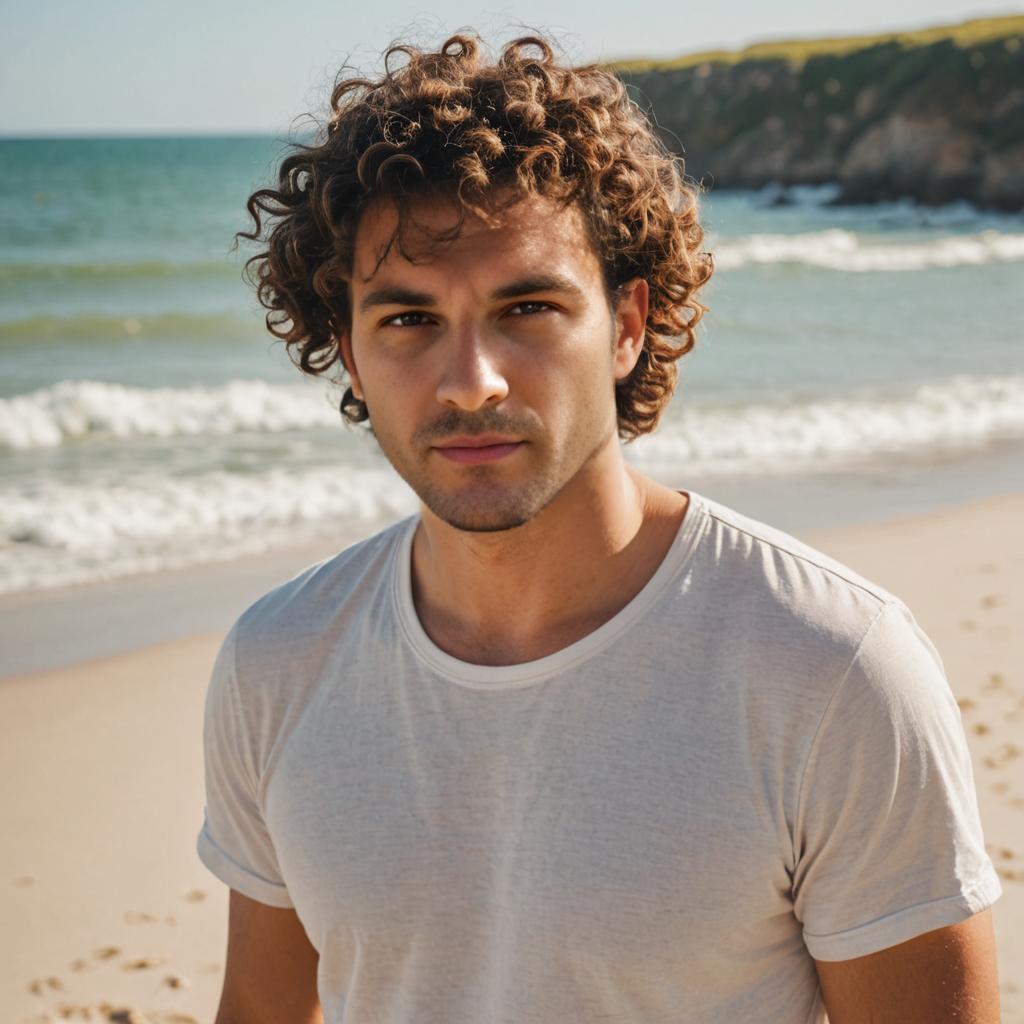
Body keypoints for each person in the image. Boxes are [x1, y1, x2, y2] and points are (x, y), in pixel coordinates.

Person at [197, 32, 1002, 1024]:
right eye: (406, 320)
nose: (469, 380)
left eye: (526, 307)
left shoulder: (831, 669)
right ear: (350, 356)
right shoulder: (277, 663)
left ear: (624, 327)